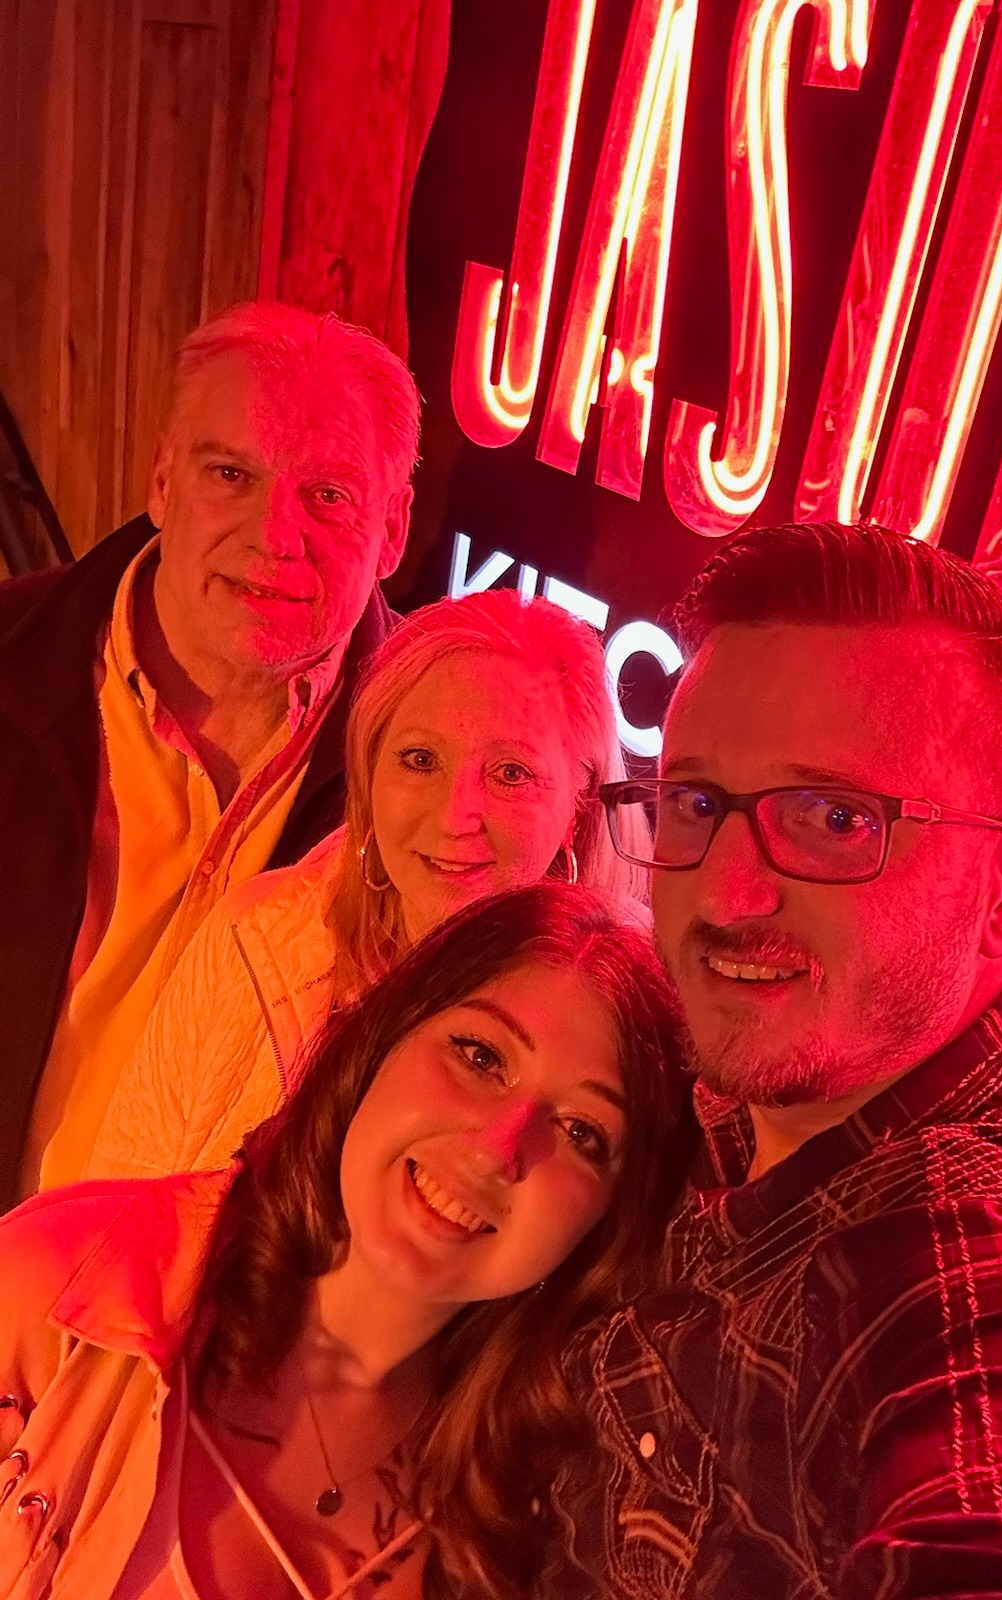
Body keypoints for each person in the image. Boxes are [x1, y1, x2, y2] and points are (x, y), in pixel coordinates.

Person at [546, 522, 1002, 1598]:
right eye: (697, 803)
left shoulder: (994, 1270)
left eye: (836, 818)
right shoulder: (769, 1059)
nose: (724, 896)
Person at [0, 883, 695, 1600]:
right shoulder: (62, 1287)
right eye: (481, 1056)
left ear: (608, 1220)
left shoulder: (532, 1525)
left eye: (581, 1131)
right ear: (383, 1039)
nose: (497, 1148)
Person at [0, 300, 420, 1207]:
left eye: (330, 495)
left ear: (393, 529)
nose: (275, 535)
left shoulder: (427, 786)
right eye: (231, 474)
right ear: (162, 480)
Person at [85, 587, 645, 1183]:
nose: (454, 817)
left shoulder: (624, 1037)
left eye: (511, 773)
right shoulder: (251, 935)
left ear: (579, 807)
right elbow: (113, 1207)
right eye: (420, 760)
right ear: (370, 771)